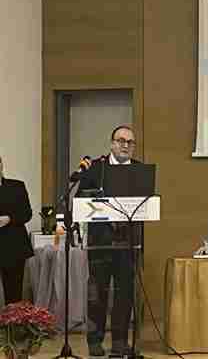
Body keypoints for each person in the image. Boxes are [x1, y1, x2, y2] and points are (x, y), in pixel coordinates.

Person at [71, 125, 141, 358]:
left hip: (128, 244)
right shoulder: (95, 169)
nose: (125, 145)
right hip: (99, 242)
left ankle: (120, 342)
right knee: (97, 294)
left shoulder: (140, 170)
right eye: (121, 140)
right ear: (112, 143)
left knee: (124, 294)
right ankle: (94, 340)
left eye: (130, 142)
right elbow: (80, 200)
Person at [0, 155, 34, 304]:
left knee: (14, 294)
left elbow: (27, 213)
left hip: (13, 247)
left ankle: (13, 320)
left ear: (1, 165)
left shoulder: (17, 186)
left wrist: (9, 219)